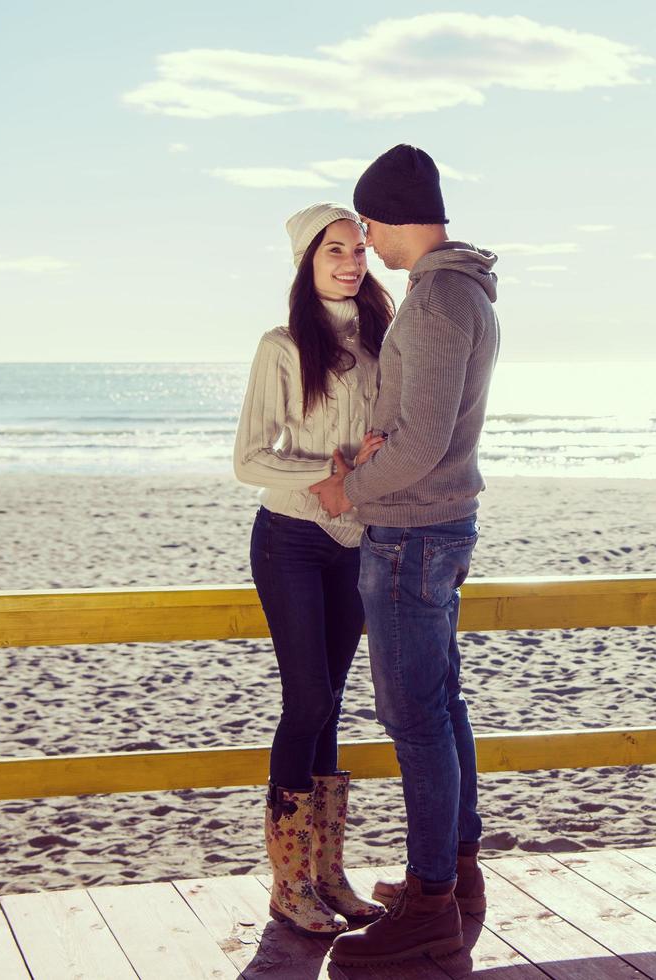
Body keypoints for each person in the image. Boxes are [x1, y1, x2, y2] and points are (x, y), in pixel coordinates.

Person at [307, 145, 501, 967]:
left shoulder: (433, 303)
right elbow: (420, 428)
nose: (369, 246)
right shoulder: (463, 291)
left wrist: (351, 488)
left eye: (370, 228)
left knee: (415, 721)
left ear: (388, 218)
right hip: (439, 526)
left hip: (412, 534)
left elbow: (420, 442)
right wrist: (375, 453)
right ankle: (454, 877)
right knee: (441, 708)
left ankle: (429, 905)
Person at [233, 202, 395, 938]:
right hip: (291, 538)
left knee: (331, 701)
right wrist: (323, 475)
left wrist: (370, 467)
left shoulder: (384, 343)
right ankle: (288, 881)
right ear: (306, 260)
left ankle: (329, 873)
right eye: (335, 250)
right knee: (306, 701)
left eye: (358, 249)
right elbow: (248, 459)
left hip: (356, 543)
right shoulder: (280, 346)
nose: (351, 261)